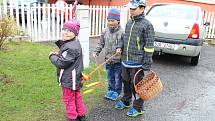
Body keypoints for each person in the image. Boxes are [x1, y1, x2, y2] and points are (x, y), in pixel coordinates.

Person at [114, 0, 155, 117]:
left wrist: (146, 64)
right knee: (125, 82)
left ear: (142, 8)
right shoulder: (128, 23)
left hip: (137, 63)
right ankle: (126, 100)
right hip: (125, 61)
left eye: (134, 8)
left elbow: (149, 46)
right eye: (130, 8)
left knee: (137, 86)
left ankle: (138, 107)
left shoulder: (147, 25)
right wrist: (119, 47)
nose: (131, 10)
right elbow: (124, 39)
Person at [49, 19, 86, 121]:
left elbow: (61, 63)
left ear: (75, 33)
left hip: (69, 78)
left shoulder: (71, 47)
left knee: (68, 99)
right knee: (76, 96)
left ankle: (72, 117)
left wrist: (52, 56)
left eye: (69, 31)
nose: (65, 32)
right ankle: (81, 114)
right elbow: (67, 57)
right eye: (64, 29)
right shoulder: (74, 43)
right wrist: (59, 54)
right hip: (75, 77)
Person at [93, 8, 124, 101]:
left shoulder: (122, 32)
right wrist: (96, 51)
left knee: (117, 77)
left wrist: (120, 48)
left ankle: (117, 92)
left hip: (118, 60)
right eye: (109, 20)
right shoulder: (104, 31)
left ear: (118, 21)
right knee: (109, 76)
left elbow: (124, 44)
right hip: (108, 60)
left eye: (112, 21)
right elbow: (101, 43)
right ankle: (110, 89)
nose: (110, 22)